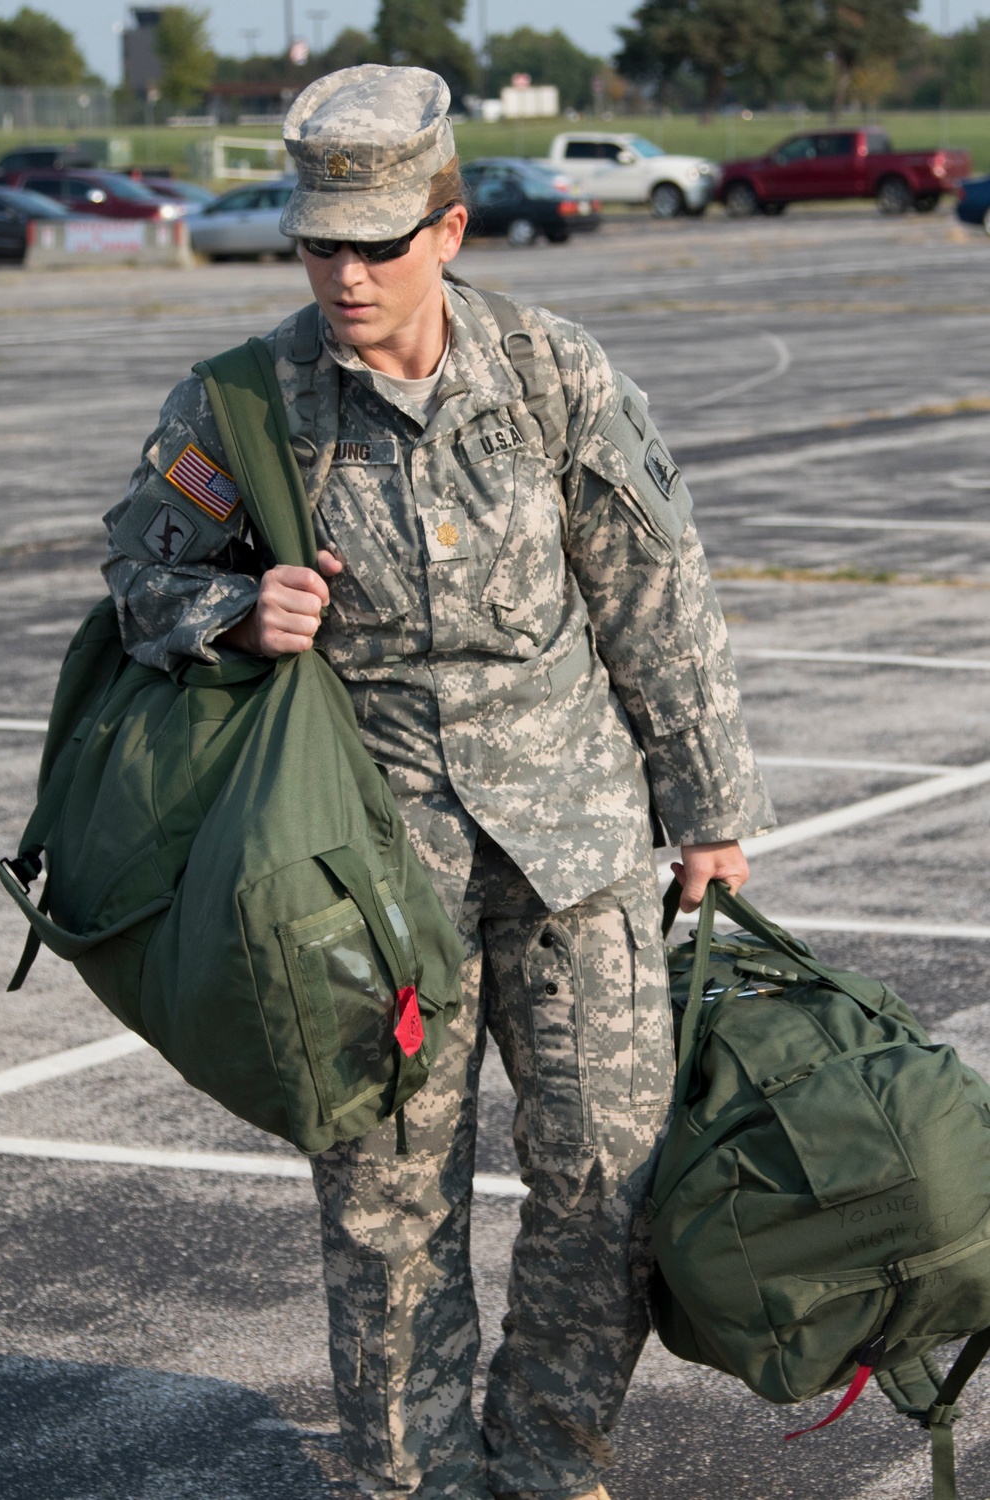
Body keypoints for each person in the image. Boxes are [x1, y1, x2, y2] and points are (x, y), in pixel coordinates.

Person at [102, 64, 773, 1500]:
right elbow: (136, 588)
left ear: (451, 230)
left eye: (377, 243)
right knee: (387, 1210)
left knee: (608, 1182)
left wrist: (707, 804)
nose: (344, 274)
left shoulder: (549, 375)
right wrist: (234, 611)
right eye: (318, 244)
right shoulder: (246, 402)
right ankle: (413, 1481)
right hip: (366, 873)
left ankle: (547, 1455)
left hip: (577, 844)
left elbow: (656, 588)